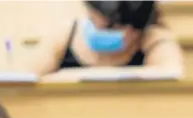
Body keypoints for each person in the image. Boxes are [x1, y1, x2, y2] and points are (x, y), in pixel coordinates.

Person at [30, 1, 184, 81]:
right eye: (92, 20)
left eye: (108, 27)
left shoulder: (153, 38)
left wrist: (71, 76)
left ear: (135, 29)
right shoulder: (67, 34)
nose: (96, 29)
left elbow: (171, 73)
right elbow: (31, 79)